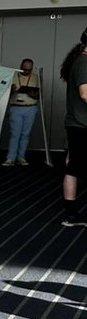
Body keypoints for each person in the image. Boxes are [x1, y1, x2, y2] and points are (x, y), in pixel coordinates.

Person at [60, 28, 87, 227]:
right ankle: (70, 214)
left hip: (78, 123)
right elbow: (85, 94)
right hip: (81, 125)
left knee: (74, 167)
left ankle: (71, 214)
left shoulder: (80, 61)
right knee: (74, 168)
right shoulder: (84, 63)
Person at [3, 58, 40, 167]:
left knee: (25, 134)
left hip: (30, 107)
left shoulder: (36, 78)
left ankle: (21, 157)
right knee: (15, 134)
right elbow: (4, 93)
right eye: (24, 69)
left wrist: (34, 94)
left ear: (32, 69)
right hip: (16, 107)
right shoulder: (13, 76)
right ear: (20, 67)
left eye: (28, 70)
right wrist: (11, 91)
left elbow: (40, 94)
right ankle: (10, 158)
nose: (26, 72)